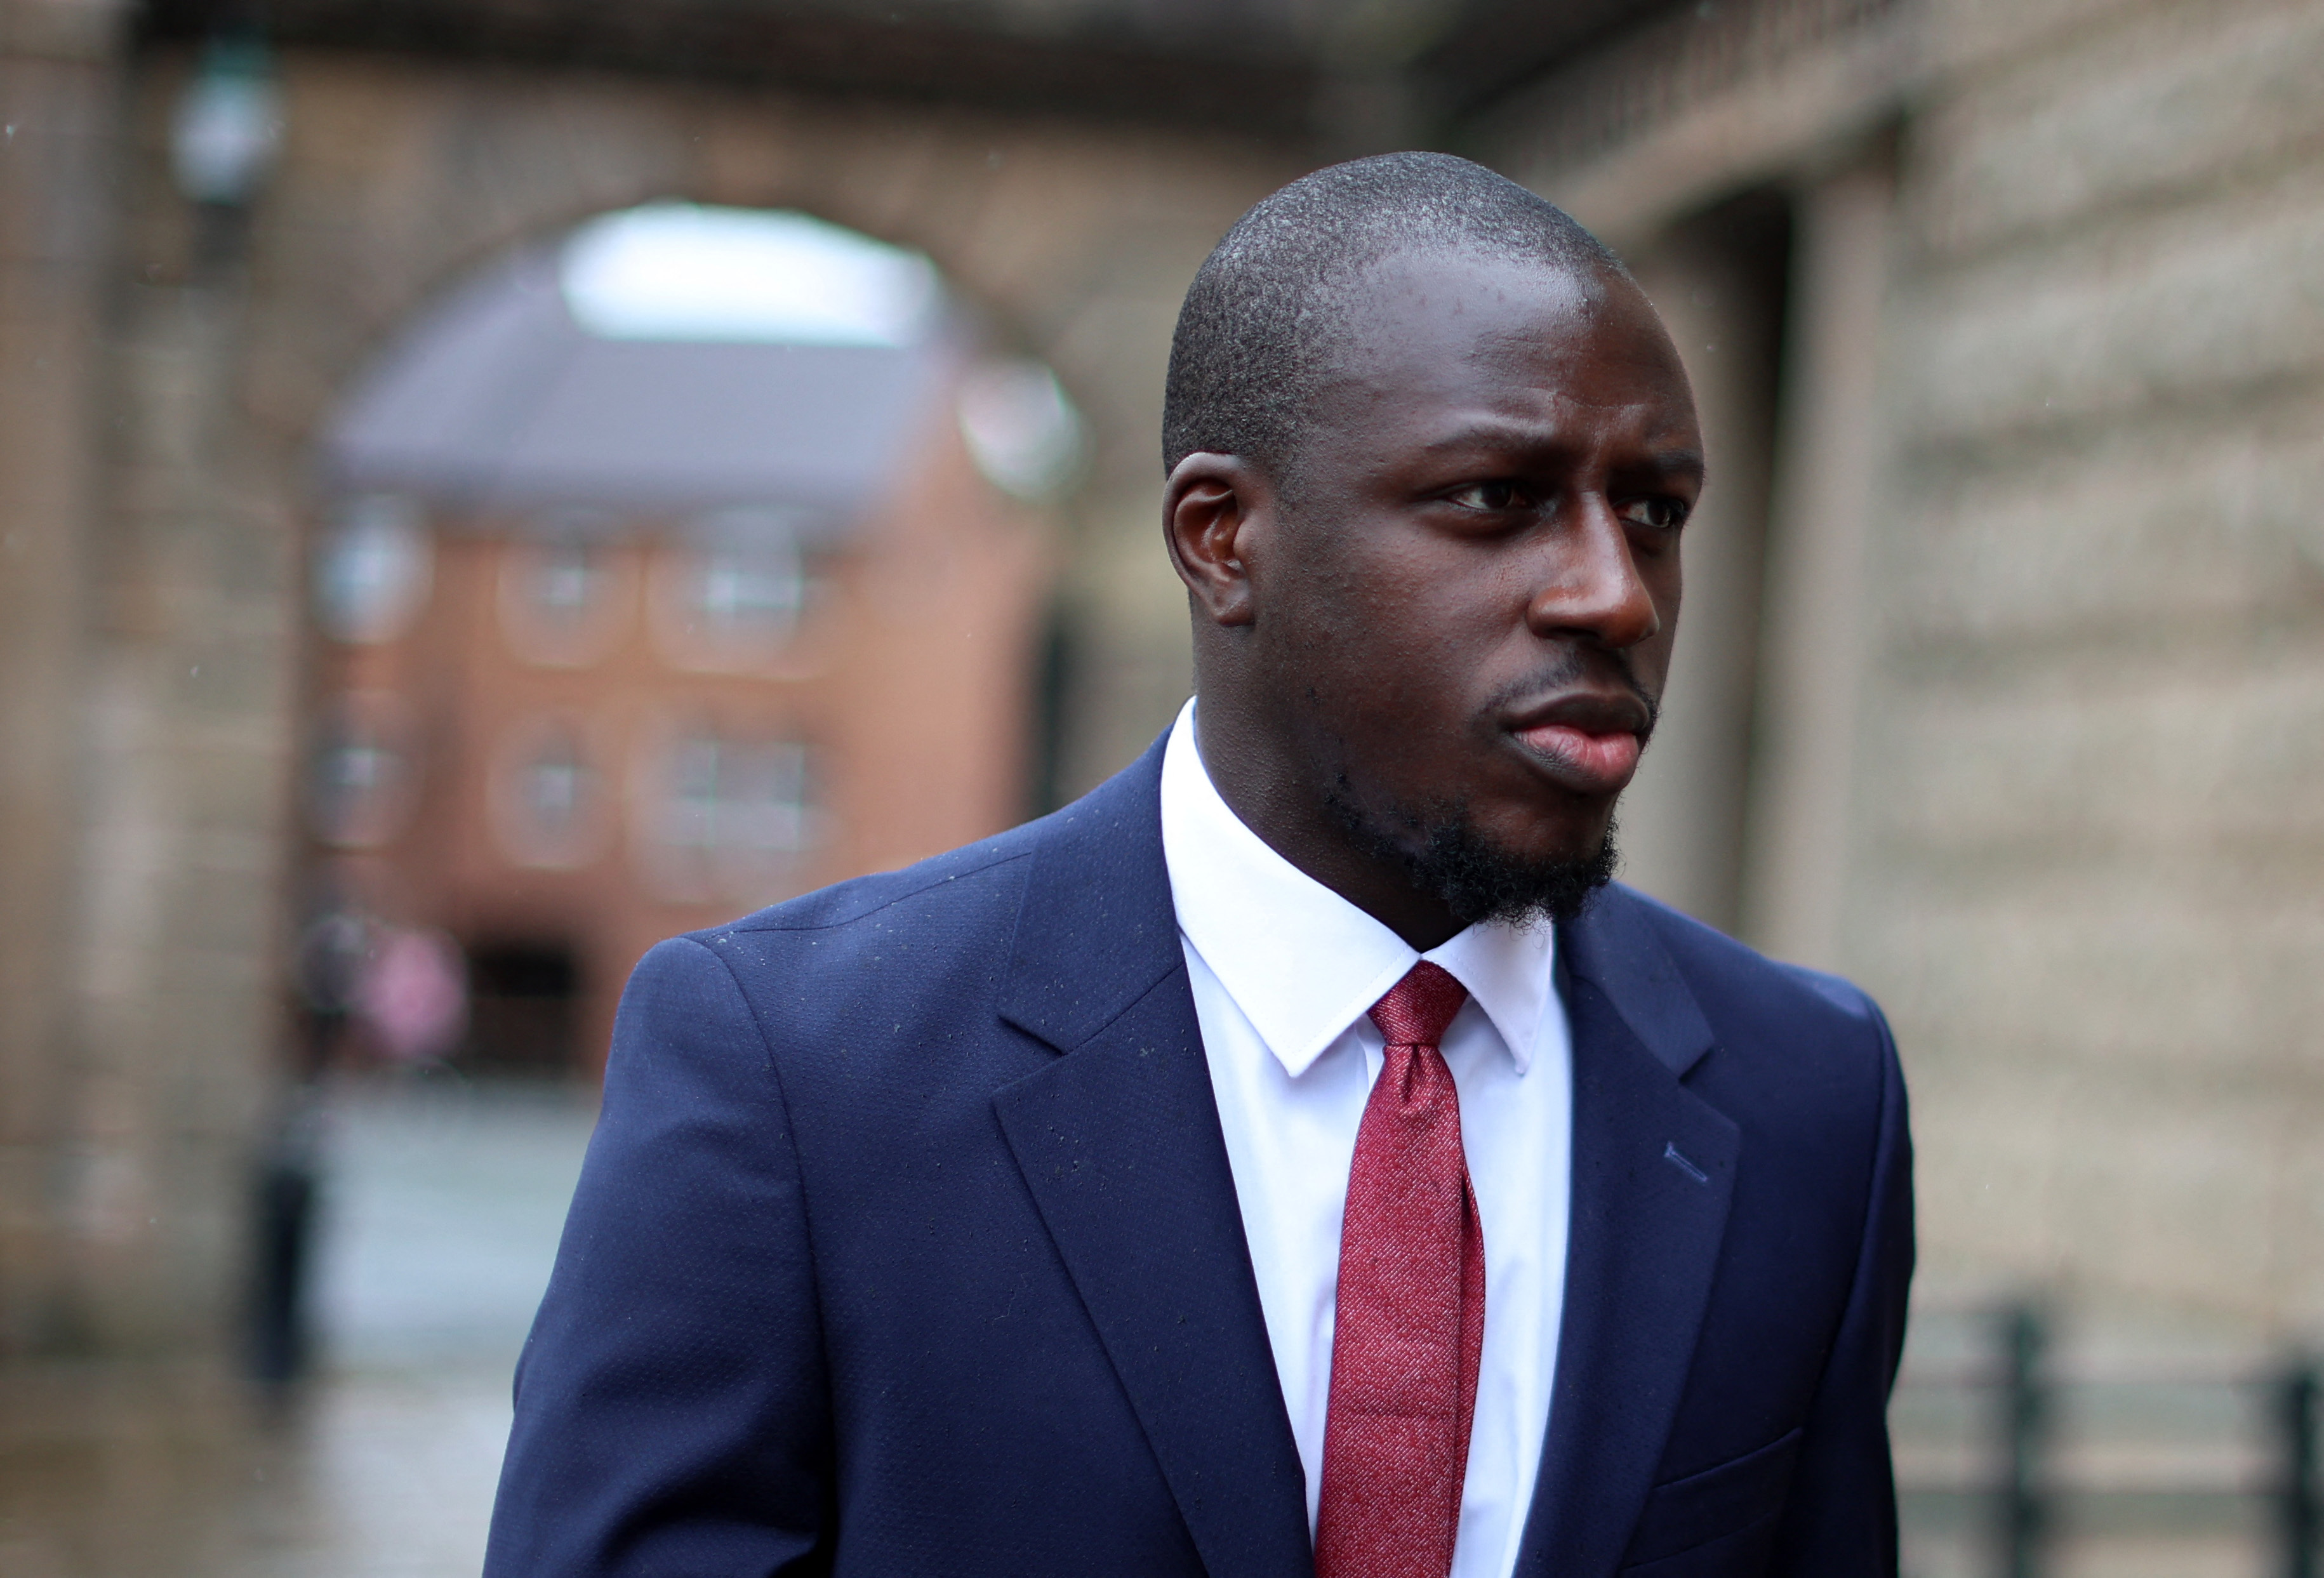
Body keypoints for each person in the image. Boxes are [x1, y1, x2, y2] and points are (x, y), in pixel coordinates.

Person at [484, 152, 1912, 1578]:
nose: (1612, 590)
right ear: (1221, 539)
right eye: (1495, 496)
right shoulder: (799, 1072)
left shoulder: (1807, 1100)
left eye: (1655, 511)